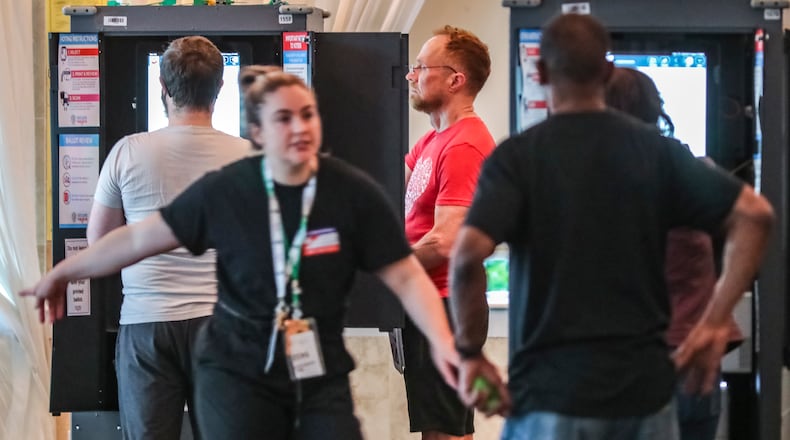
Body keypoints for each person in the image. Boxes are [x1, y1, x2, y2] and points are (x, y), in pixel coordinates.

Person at [23, 66, 459, 440]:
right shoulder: (226, 189)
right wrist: (64, 272)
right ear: (257, 132)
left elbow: (406, 276)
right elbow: (137, 240)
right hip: (234, 367)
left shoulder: (353, 193)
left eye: (307, 115)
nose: (299, 128)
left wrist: (445, 344)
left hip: (312, 362)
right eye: (283, 118)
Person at [447, 13, 774, 440]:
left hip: (549, 395)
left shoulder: (516, 158)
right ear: (606, 71)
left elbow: (465, 257)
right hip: (643, 398)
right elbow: (755, 216)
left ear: (540, 72)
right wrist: (713, 322)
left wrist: (470, 354)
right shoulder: (658, 152)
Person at [85, 35, 253, 439]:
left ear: (162, 87)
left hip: (148, 324)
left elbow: (100, 245)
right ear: (221, 86)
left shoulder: (128, 152)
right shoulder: (250, 157)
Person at [605, 66, 744, 440]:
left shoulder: (597, 181)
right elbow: (753, 221)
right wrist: (717, 317)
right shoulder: (693, 171)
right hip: (691, 361)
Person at [403, 25, 495, 440]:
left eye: (421, 67)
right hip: (429, 302)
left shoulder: (464, 146)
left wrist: (386, 268)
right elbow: (388, 189)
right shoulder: (433, 140)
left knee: (447, 433)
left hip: (446, 305)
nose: (411, 75)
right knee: (436, 429)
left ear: (456, 80)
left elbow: (445, 241)